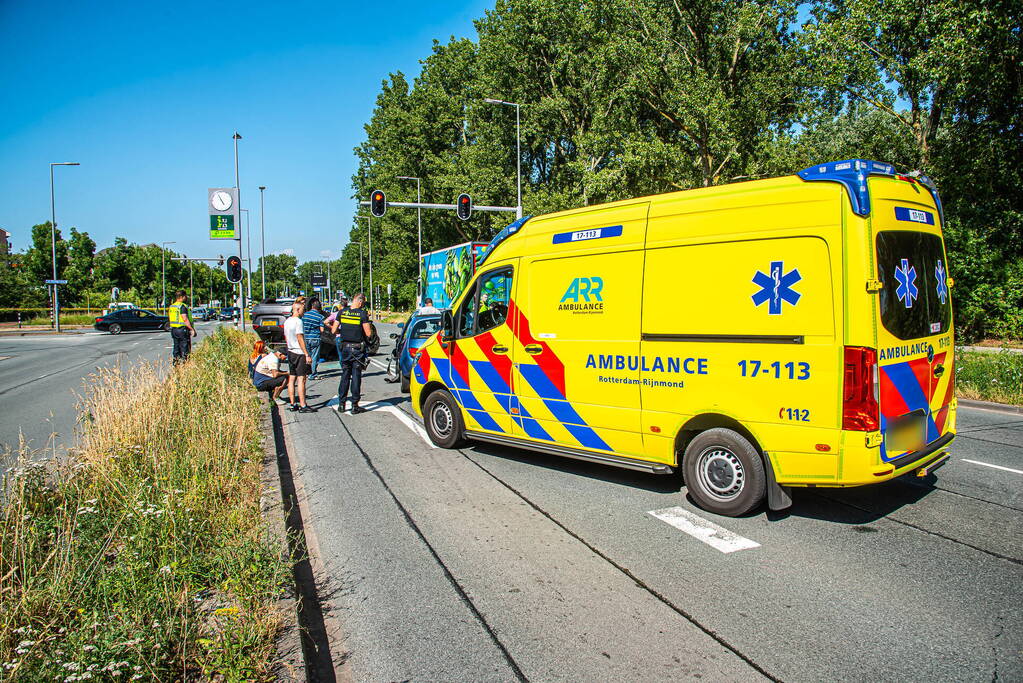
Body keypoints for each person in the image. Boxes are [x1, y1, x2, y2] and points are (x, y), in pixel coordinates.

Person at [331, 292, 373, 414]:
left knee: (345, 375)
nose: (363, 305)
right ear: (360, 301)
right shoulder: (362, 314)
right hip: (357, 350)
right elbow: (368, 333)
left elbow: (334, 330)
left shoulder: (342, 312)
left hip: (344, 349)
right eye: (363, 303)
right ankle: (355, 405)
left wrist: (344, 330)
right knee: (356, 377)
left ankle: (341, 404)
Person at [283, 300, 315, 412]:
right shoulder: (298, 322)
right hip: (299, 353)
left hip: (291, 351)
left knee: (292, 378)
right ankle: (303, 405)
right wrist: (306, 354)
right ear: (297, 309)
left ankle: (293, 404)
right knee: (302, 379)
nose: (304, 312)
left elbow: (286, 337)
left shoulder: (287, 321)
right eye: (302, 310)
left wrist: (289, 347)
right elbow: (300, 338)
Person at [167, 290, 196, 364]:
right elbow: (185, 318)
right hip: (182, 330)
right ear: (182, 297)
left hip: (174, 330)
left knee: (176, 347)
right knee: (185, 348)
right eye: (185, 296)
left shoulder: (172, 307)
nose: (186, 298)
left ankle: (176, 364)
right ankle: (185, 364)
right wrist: (192, 329)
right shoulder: (182, 306)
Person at [302, 297, 326, 379]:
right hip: (315, 338)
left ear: (312, 306)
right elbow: (322, 330)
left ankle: (307, 372)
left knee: (307, 355)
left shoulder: (305, 315)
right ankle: (313, 374)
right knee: (314, 357)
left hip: (306, 338)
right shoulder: (320, 317)